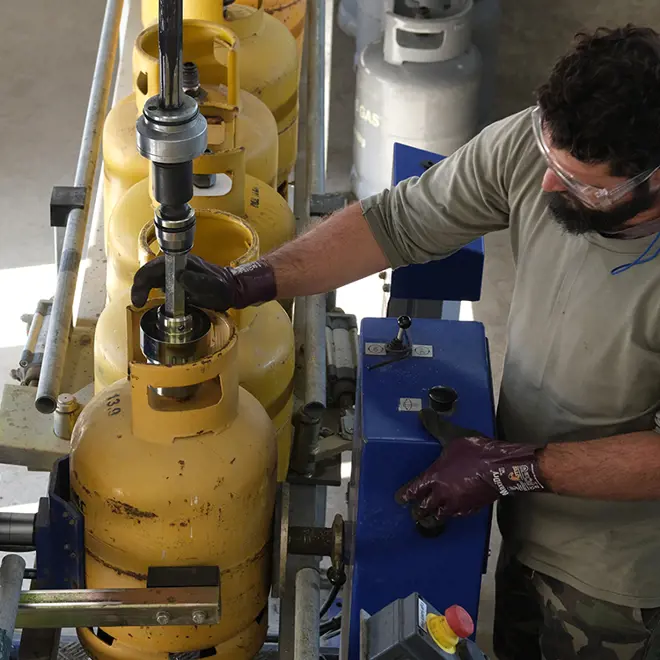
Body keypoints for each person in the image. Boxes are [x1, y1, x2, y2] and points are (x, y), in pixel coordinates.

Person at [131, 26, 660, 660]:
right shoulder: (539, 148)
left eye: (585, 186)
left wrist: (518, 467)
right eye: (552, 162)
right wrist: (250, 282)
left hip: (622, 578)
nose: (548, 189)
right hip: (528, 521)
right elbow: (397, 223)